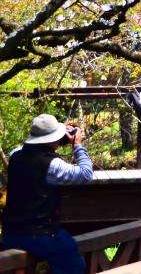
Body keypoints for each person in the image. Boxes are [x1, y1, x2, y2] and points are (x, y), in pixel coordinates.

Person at [1, 114, 92, 273]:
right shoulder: (52, 165)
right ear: (52, 139)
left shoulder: (15, 155)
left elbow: (35, 149)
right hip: (41, 235)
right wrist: (77, 144)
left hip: (11, 233)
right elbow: (85, 174)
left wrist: (58, 138)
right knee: (75, 265)